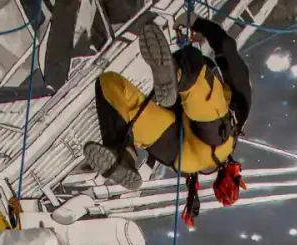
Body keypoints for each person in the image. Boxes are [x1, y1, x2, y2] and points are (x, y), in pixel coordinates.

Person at [81, 18, 250, 228]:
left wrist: (197, 23)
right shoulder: (235, 109)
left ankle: (179, 76)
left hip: (215, 137)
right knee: (109, 82)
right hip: (183, 160)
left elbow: (226, 48)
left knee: (194, 64)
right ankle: (123, 156)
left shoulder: (240, 106)